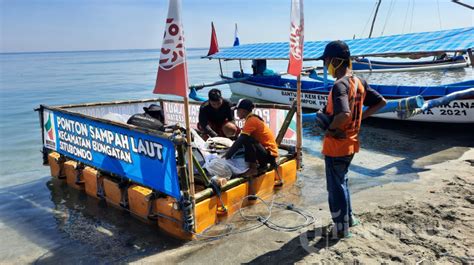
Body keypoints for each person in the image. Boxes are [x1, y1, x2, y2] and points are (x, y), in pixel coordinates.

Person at [316, 40, 387, 239]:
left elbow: (344, 114)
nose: (326, 64)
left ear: (336, 61)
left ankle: (341, 228)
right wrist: (360, 118)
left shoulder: (340, 85)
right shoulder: (358, 81)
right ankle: (350, 219)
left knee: (335, 187)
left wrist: (330, 129)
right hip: (352, 142)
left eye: (327, 60)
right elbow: (381, 102)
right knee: (343, 181)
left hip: (337, 145)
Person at [224, 98, 279, 178]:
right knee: (244, 138)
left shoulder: (252, 120)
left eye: (237, 110)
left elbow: (242, 139)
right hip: (265, 152)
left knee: (246, 139)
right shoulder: (251, 119)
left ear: (243, 111)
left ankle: (253, 169)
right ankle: (256, 164)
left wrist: (228, 155)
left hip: (269, 155)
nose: (237, 113)